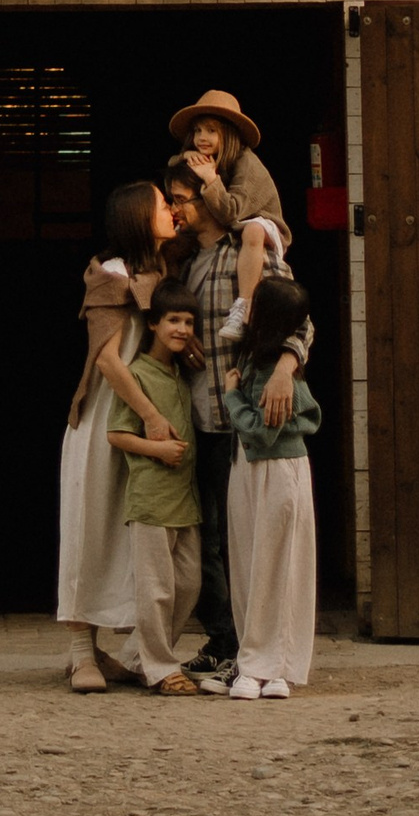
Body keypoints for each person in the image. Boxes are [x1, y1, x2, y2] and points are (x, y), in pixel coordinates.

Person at [163, 155, 311, 685]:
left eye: (181, 199)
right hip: (200, 413)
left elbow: (296, 315)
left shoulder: (248, 251)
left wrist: (285, 369)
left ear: (207, 198)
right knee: (207, 539)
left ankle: (254, 650)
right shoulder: (187, 263)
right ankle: (226, 640)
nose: (176, 210)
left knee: (241, 540)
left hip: (243, 421)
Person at [56, 180, 172, 694]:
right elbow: (107, 360)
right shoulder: (111, 275)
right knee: (91, 527)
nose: (172, 209)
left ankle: (127, 651)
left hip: (149, 417)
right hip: (108, 415)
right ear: (137, 217)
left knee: (138, 534)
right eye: (163, 205)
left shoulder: (163, 271)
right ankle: (81, 655)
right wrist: (148, 413)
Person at [104, 285, 206, 693]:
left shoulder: (182, 375)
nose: (182, 329)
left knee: (189, 585)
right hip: (150, 500)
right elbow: (117, 435)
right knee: (157, 590)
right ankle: (163, 670)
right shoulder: (139, 374)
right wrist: (159, 449)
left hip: (185, 500)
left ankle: (132, 659)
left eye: (188, 322)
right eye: (173, 321)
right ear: (153, 324)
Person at [225, 270, 321, 699]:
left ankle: (268, 665)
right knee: (257, 564)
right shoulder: (255, 356)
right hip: (254, 467)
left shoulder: (267, 369)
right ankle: (269, 663)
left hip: (273, 466)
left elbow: (261, 431)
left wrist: (231, 396)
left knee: (273, 566)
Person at [167, 88, 290, 309]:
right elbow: (172, 164)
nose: (202, 138)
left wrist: (210, 179)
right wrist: (185, 156)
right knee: (172, 243)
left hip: (261, 225)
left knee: (253, 231)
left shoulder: (247, 164)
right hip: (231, 222)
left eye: (211, 131)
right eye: (197, 130)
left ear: (229, 134)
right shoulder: (191, 259)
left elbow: (231, 212)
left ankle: (244, 303)